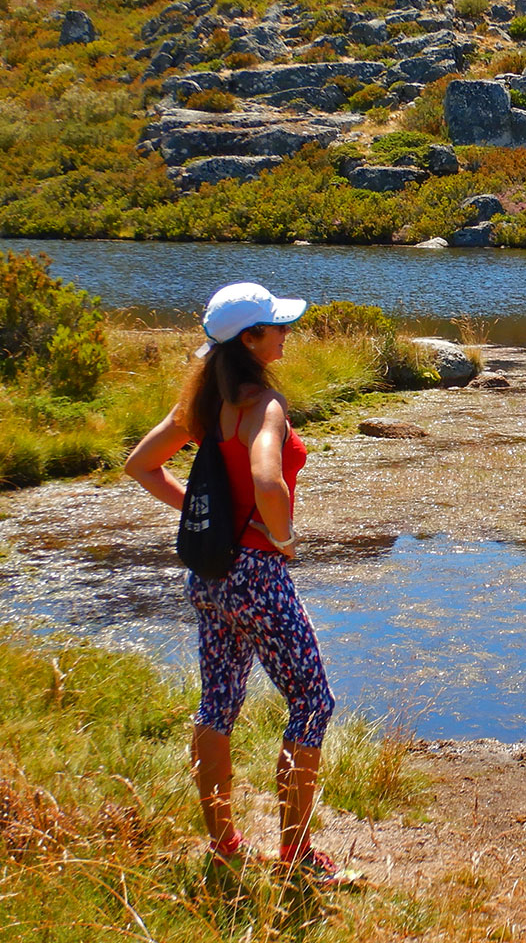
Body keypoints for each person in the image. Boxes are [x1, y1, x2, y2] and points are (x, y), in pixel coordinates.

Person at [124, 282, 340, 883]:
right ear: (251, 339)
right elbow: (269, 483)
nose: (285, 334)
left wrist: (205, 520)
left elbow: (140, 464)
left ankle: (223, 843)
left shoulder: (202, 404)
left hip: (210, 575)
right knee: (312, 704)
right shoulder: (263, 405)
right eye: (277, 327)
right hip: (257, 577)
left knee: (217, 704)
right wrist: (283, 539)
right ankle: (295, 854)